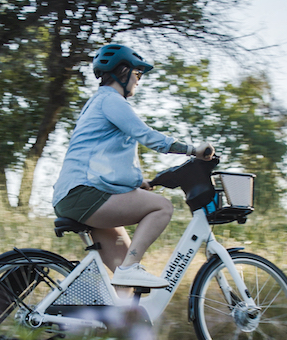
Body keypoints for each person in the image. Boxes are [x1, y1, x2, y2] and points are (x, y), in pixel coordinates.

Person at [52, 44, 214, 289]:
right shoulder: (111, 100)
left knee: (125, 285)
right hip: (85, 194)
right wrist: (193, 150)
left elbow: (103, 155)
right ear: (123, 72)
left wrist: (139, 182)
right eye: (138, 74)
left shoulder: (98, 103)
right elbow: (147, 136)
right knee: (162, 207)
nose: (139, 80)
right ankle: (129, 269)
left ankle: (114, 323)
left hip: (76, 195)